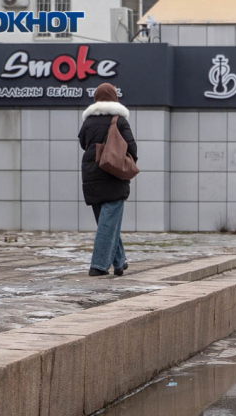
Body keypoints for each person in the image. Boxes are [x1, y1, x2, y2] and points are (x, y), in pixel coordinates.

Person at [78, 83, 137, 277]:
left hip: (91, 175)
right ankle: (99, 266)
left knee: (107, 222)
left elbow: (83, 143)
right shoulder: (119, 120)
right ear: (114, 99)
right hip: (112, 176)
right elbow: (132, 147)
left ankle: (119, 262)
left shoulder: (88, 122)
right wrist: (125, 163)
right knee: (108, 222)